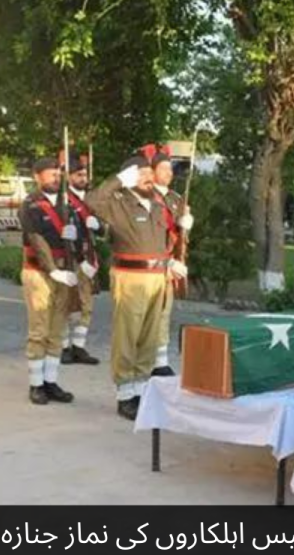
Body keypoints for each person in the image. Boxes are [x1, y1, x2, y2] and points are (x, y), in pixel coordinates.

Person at [87, 156, 177, 420]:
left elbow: (162, 241)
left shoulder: (158, 206)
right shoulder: (119, 204)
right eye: (141, 174)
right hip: (130, 276)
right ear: (129, 177)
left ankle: (141, 389)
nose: (148, 178)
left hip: (158, 276)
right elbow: (92, 201)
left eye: (150, 173)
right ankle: (125, 395)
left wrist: (170, 262)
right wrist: (119, 180)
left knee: (150, 336)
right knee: (128, 334)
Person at [19, 157, 78, 406]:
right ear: (37, 177)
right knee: (39, 330)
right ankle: (36, 384)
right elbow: (36, 240)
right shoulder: (30, 205)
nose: (56, 177)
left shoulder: (68, 205)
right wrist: (52, 269)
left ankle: (51, 381)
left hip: (64, 273)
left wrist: (77, 234)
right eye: (50, 174)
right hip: (39, 272)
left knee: (57, 330)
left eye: (57, 173)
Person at [148, 146, 193, 376]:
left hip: (169, 264)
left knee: (165, 312)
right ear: (152, 171)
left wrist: (186, 225)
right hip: (149, 266)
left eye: (170, 169)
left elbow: (180, 237)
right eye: (163, 168)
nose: (169, 173)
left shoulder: (175, 199)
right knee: (147, 315)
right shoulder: (145, 196)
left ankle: (160, 361)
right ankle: (142, 359)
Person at [60, 152, 102, 366]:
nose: (83, 178)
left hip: (88, 256)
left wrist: (99, 225)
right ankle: (64, 347)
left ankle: (79, 347)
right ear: (68, 176)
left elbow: (102, 227)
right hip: (71, 258)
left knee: (86, 305)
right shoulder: (63, 200)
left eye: (84, 175)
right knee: (69, 304)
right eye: (78, 175)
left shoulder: (91, 199)